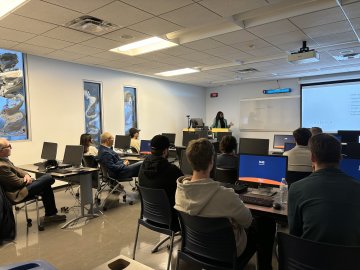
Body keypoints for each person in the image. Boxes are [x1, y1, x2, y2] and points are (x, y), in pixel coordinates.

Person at [175, 138, 275, 269]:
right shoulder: (226, 195)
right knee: (266, 223)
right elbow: (248, 221)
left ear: (189, 160)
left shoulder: (180, 190)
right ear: (212, 161)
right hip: (228, 253)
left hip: (195, 248)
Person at [288, 133, 360, 246]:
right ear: (340, 157)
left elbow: (294, 233)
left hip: (307, 260)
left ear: (312, 158)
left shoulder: (296, 188)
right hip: (350, 261)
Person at [0, 138, 66, 224]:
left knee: (45, 184)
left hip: (21, 187)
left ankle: (51, 215)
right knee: (48, 178)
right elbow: (17, 183)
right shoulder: (1, 166)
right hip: (17, 193)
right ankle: (51, 215)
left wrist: (26, 175)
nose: (11, 147)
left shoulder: (5, 160)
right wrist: (29, 179)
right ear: (1, 151)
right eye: (8, 146)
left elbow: (18, 170)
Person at [138, 135, 183, 228]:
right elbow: (185, 190)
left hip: (148, 217)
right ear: (165, 151)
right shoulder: (172, 170)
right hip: (171, 220)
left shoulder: (142, 167)